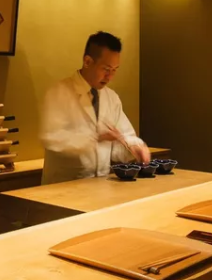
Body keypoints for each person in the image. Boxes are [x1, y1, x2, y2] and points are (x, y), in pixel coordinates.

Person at [39, 31, 151, 185]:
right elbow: (51, 138)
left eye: (114, 70)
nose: (110, 76)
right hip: (63, 187)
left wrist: (135, 147)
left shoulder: (111, 98)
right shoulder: (59, 93)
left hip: (101, 186)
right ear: (87, 61)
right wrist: (94, 137)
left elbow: (122, 137)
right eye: (106, 69)